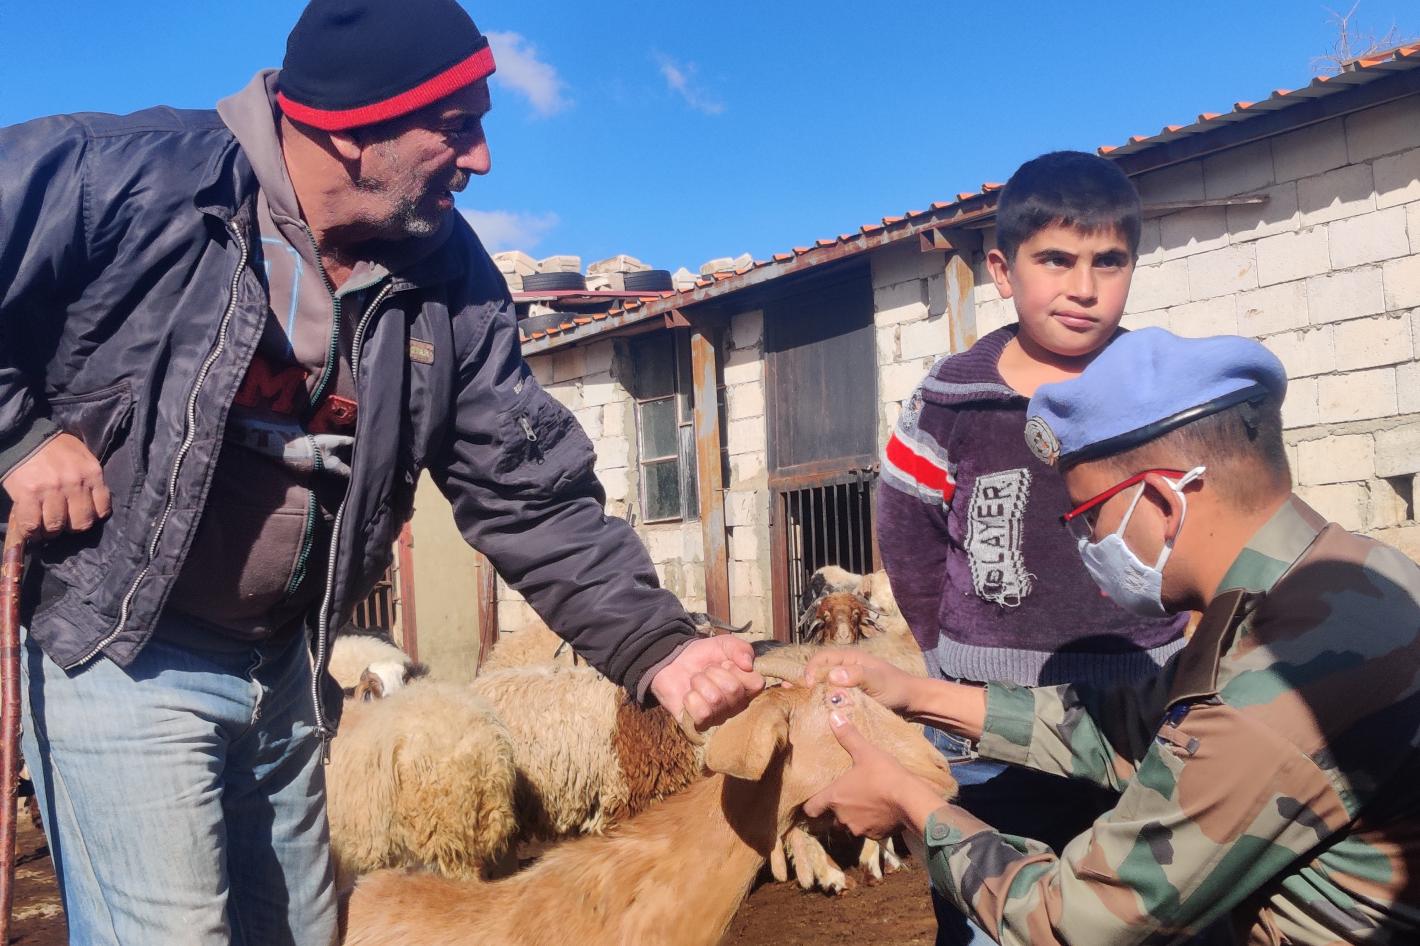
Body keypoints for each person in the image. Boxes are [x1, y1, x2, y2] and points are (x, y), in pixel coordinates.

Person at [0, 2, 761, 943]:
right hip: (125, 650)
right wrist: (19, 438)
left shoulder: (450, 277)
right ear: (353, 125)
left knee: (303, 933)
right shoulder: (131, 179)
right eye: (457, 127)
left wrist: (660, 646)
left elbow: (528, 492)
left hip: (284, 668)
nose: (482, 158)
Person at [805, 328, 1420, 944]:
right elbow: (1130, 724)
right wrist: (919, 695)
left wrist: (910, 804)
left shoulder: (1272, 686)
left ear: (1162, 502)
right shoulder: (1349, 575)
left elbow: (1072, 922)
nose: (1087, 546)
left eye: (1088, 518)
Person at [877, 151, 1189, 941]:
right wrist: (948, 657)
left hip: (1140, 718)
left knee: (1138, 916)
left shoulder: (1162, 391)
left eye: (1108, 261)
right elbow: (908, 539)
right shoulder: (952, 400)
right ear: (1001, 270)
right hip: (982, 728)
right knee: (991, 914)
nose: (1083, 287)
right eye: (1055, 259)